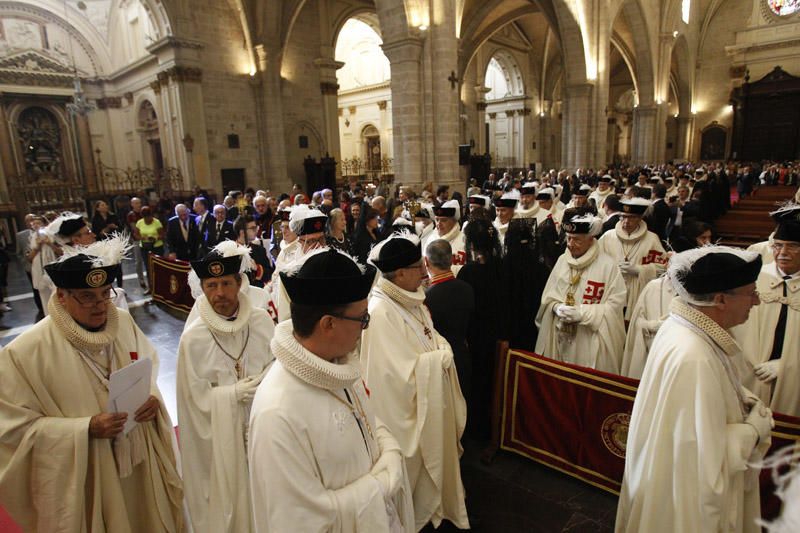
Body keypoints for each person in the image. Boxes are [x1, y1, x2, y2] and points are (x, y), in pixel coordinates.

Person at [0, 234, 185, 532]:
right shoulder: (26, 351)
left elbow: (146, 368)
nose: (100, 306)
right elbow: (12, 431)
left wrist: (151, 397)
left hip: (137, 459)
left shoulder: (122, 321)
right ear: (61, 295)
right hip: (88, 475)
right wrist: (84, 429)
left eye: (105, 293)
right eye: (87, 297)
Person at [248, 247, 414, 532]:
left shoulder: (338, 364)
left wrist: (389, 450)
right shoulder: (278, 411)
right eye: (362, 318)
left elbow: (365, 420)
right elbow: (297, 520)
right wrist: (380, 484)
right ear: (328, 324)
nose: (365, 327)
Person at [616, 246, 773, 533]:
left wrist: (740, 398)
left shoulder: (685, 327)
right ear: (721, 299)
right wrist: (753, 431)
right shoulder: (694, 356)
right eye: (750, 292)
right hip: (682, 507)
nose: (758, 301)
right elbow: (698, 459)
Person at [361, 231, 469, 531]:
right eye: (417, 267)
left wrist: (442, 348)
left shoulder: (413, 300)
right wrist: (439, 360)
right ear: (399, 274)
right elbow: (392, 377)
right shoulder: (380, 311)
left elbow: (430, 337)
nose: (424, 271)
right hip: (405, 416)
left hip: (431, 400)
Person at [178, 244, 275, 533]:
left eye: (225, 283)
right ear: (202, 288)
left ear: (239, 284)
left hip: (263, 425)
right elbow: (192, 402)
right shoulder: (192, 339)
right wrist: (231, 396)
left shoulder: (260, 321)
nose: (219, 293)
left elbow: (276, 365)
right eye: (211, 285)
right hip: (222, 439)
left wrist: (267, 380)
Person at [535, 214, 626, 373]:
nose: (570, 244)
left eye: (577, 239)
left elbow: (615, 306)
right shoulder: (563, 260)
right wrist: (556, 307)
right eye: (569, 238)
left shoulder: (608, 266)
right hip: (559, 335)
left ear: (591, 239)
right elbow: (548, 298)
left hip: (588, 340)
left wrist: (583, 314)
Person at [735, 204, 800, 416]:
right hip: (748, 376)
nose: (782, 253)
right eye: (778, 245)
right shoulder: (753, 279)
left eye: (792, 246)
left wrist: (788, 364)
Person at [598, 197, 666, 321]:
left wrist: (639, 269)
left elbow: (663, 267)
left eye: (631, 217)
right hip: (611, 292)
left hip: (637, 294)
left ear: (640, 218)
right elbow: (596, 261)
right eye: (623, 217)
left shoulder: (651, 239)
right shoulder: (608, 236)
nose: (626, 221)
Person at [424, 239, 475, 401]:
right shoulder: (467, 289)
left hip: (440, 366)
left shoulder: (426, 298)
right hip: (464, 357)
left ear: (426, 262)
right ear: (452, 259)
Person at [620, 274, 674, 379]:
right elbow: (637, 321)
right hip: (650, 353)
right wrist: (651, 325)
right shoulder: (654, 287)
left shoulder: (699, 294)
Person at [423, 199, 467, 274]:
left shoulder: (464, 240)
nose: (438, 224)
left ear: (454, 221)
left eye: (443, 220)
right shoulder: (431, 239)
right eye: (437, 220)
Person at [233, 214, 272, 287]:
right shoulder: (231, 251)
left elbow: (269, 274)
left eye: (256, 227)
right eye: (253, 228)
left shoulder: (260, 250)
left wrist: (257, 268)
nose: (256, 230)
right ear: (242, 232)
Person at [91, 200, 124, 287]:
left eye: (105, 204)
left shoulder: (112, 216)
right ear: (98, 208)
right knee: (106, 266)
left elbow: (120, 227)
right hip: (103, 244)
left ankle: (120, 287)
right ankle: (108, 287)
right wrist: (105, 229)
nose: (105, 206)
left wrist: (115, 227)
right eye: (102, 205)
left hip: (114, 242)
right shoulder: (95, 219)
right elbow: (95, 232)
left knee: (118, 266)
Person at [16, 213, 42, 316]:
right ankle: (41, 309)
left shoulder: (45, 232)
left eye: (33, 219)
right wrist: (26, 264)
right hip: (30, 266)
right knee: (36, 288)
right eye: (29, 220)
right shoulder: (21, 235)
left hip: (44, 262)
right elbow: (18, 253)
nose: (31, 222)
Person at [126, 197, 147, 288]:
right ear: (132, 204)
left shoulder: (144, 212)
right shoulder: (131, 215)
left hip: (146, 239)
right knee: (138, 261)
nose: (138, 205)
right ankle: (141, 279)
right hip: (137, 239)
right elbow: (134, 228)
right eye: (136, 203)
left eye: (139, 203)